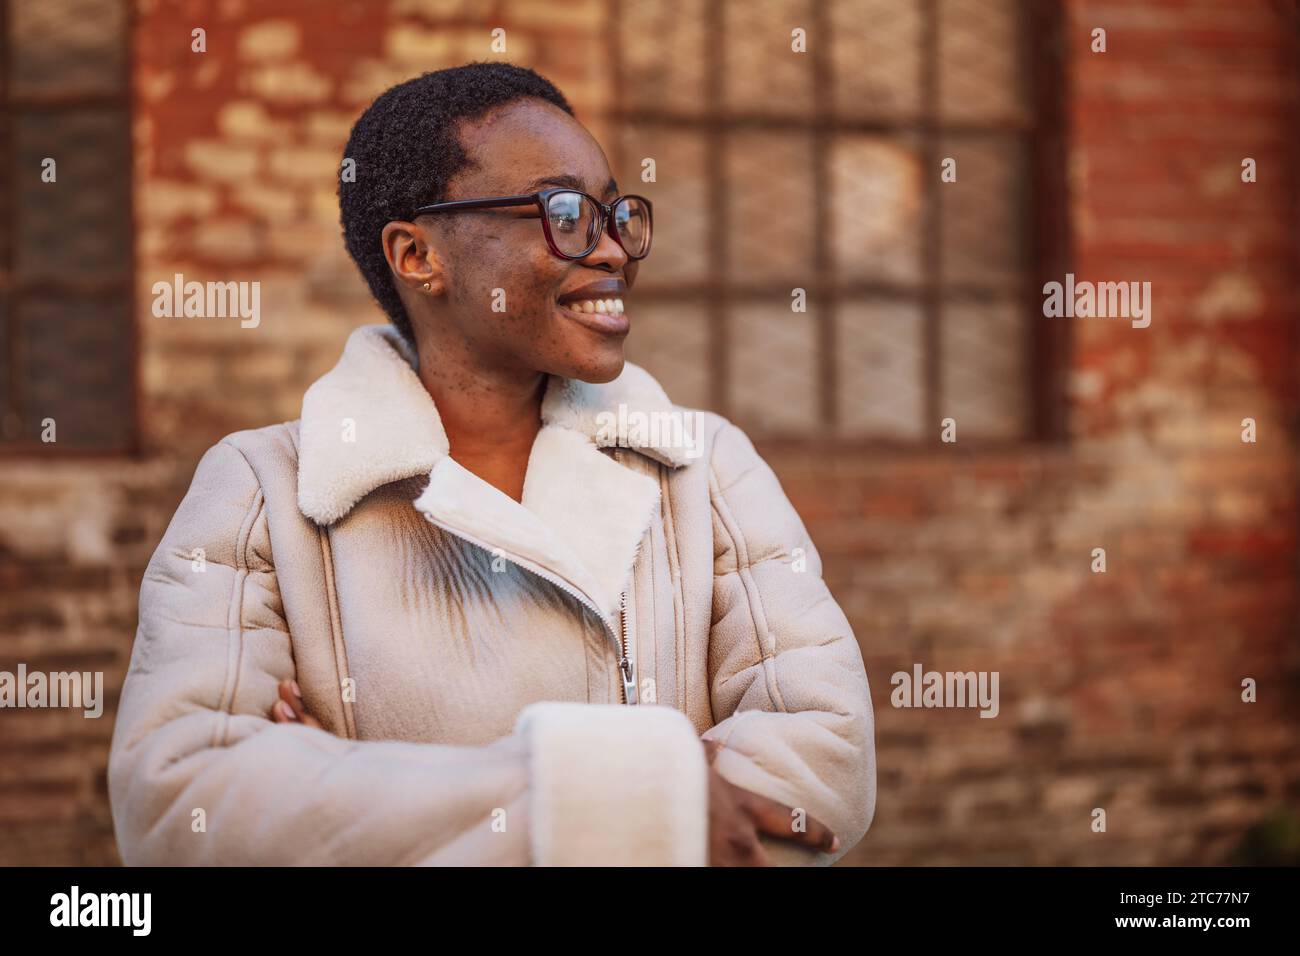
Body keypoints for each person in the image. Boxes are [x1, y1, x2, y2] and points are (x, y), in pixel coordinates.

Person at [107, 62, 876, 866]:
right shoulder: (266, 491)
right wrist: (635, 795)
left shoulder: (705, 468)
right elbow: (184, 802)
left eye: (614, 211)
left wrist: (352, 780)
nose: (612, 248)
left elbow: (822, 762)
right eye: (564, 211)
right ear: (417, 256)